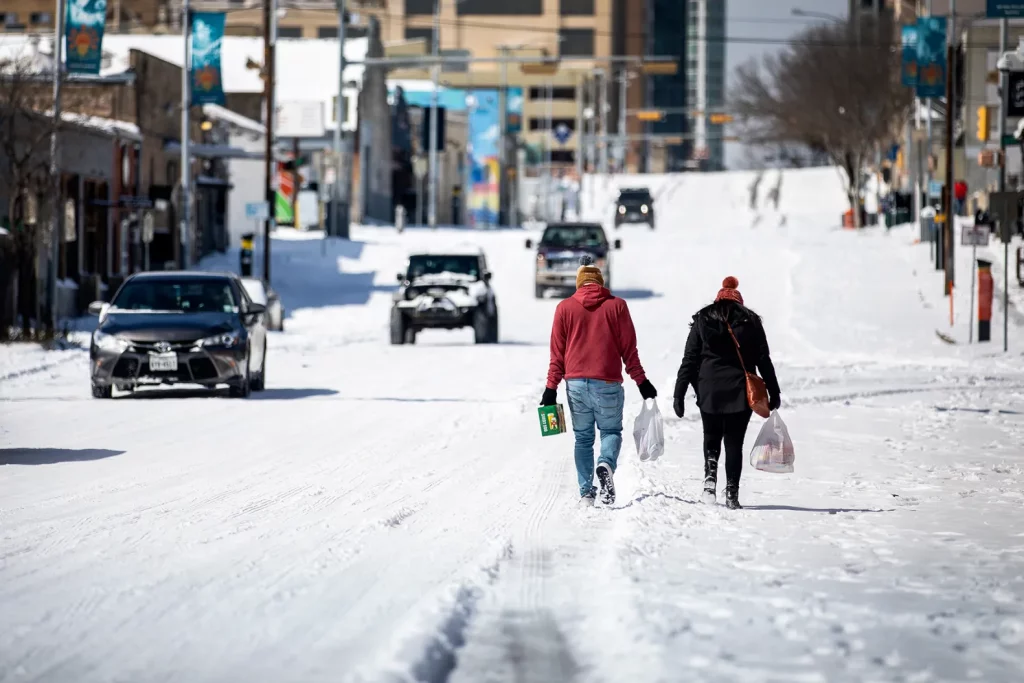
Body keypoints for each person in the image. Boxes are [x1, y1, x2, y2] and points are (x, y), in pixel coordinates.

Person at [541, 255, 657, 506]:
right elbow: (630, 351)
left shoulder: (564, 308)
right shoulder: (618, 306)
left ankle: (586, 493)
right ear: (601, 283)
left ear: (579, 283)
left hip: (575, 385)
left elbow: (557, 355)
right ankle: (605, 463)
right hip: (607, 384)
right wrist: (642, 382)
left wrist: (550, 388)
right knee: (610, 431)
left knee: (582, 438)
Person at [672, 277, 781, 510]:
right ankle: (732, 492)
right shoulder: (751, 321)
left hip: (709, 389)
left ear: (718, 298)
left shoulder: (702, 319)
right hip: (740, 391)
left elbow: (690, 359)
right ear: (739, 301)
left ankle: (709, 480)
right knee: (734, 443)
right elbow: (763, 359)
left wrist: (679, 393)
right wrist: (774, 391)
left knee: (711, 436)